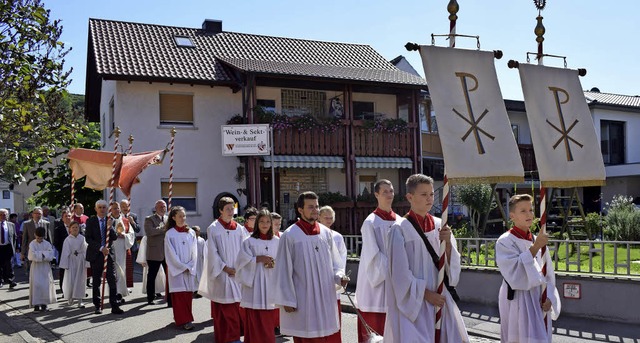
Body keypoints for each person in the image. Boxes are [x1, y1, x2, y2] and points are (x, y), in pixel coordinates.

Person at [384, 174, 469, 342]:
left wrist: (449, 244)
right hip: (415, 303)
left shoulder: (441, 225)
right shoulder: (399, 230)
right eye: (423, 194)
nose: (429, 198)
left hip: (440, 298)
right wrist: (426, 294)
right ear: (410, 197)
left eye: (431, 194)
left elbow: (451, 264)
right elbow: (399, 274)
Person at [272, 191, 348, 342]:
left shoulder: (326, 233)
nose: (315, 210)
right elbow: (283, 270)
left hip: (325, 296)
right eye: (310, 207)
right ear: (300, 210)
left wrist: (339, 277)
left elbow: (335, 263)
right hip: (303, 298)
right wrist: (287, 299)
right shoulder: (290, 235)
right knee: (305, 336)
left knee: (324, 335)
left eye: (317, 206)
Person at [496, 194, 561, 343]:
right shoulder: (505, 241)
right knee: (520, 337)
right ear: (512, 216)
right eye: (523, 211)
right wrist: (536, 246)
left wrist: (549, 296)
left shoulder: (535, 239)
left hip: (538, 298)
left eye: (531, 210)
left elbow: (548, 273)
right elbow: (513, 272)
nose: (529, 214)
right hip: (518, 298)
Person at [355, 179, 401, 342]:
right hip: (376, 285)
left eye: (391, 191)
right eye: (385, 192)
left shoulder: (400, 221)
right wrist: (396, 266)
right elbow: (372, 255)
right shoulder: (370, 222)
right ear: (376, 195)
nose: (389, 195)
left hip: (396, 283)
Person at [199, 196, 249, 343]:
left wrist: (239, 268)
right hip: (222, 273)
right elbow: (212, 252)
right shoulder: (213, 229)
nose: (230, 211)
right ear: (220, 210)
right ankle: (227, 338)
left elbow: (245, 250)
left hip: (237, 273)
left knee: (236, 307)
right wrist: (225, 268)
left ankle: (233, 337)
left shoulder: (239, 229)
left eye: (232, 208)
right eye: (227, 209)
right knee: (225, 309)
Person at [236, 209, 280, 343]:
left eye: (268, 221)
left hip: (271, 282)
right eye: (261, 221)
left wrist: (275, 263)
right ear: (257, 223)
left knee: (268, 318)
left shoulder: (277, 241)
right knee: (254, 318)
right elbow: (241, 262)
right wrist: (258, 259)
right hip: (254, 284)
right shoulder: (249, 241)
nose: (265, 224)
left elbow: (283, 261)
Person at [84, 200, 124, 315]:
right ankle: (98, 305)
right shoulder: (91, 221)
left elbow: (114, 237)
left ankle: (114, 305)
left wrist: (110, 228)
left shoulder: (110, 220)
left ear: (107, 209)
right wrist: (101, 248)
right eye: (100, 207)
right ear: (96, 209)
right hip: (96, 254)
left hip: (108, 255)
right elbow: (88, 239)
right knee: (96, 281)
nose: (102, 209)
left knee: (112, 279)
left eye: (104, 207)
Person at [164, 206, 198, 331]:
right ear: (173, 218)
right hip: (177, 270)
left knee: (188, 296)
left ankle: (186, 318)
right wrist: (181, 266)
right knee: (179, 296)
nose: (183, 218)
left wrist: (190, 265)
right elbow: (170, 253)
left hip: (188, 269)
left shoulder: (191, 232)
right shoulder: (170, 234)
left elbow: (195, 251)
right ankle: (184, 320)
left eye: (184, 216)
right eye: (180, 216)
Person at [318, 205, 348, 343]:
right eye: (326, 217)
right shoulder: (315, 236)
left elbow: (341, 258)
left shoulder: (337, 237)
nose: (329, 220)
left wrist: (339, 276)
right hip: (318, 282)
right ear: (319, 217)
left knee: (334, 319)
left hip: (332, 282)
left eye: (331, 218)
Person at [144, 200, 170, 306]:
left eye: (164, 206)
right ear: (156, 208)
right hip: (154, 252)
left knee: (170, 276)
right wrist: (163, 229)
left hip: (167, 252)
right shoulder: (149, 219)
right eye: (160, 206)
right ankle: (150, 297)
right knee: (152, 276)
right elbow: (150, 232)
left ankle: (170, 297)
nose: (162, 208)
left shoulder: (168, 219)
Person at [108, 201, 135, 303]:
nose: (116, 210)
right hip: (111, 249)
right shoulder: (108, 220)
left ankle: (119, 293)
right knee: (113, 272)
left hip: (122, 249)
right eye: (114, 208)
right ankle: (114, 293)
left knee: (121, 271)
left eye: (117, 208)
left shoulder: (125, 220)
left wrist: (124, 235)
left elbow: (131, 234)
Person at [59, 221, 88, 308]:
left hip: (80, 261)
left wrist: (86, 261)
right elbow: (65, 252)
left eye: (76, 227)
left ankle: (80, 300)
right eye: (73, 227)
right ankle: (70, 297)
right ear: (70, 229)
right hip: (71, 261)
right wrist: (65, 264)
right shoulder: (67, 240)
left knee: (80, 280)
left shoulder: (82, 238)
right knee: (70, 280)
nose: (75, 229)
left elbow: (85, 249)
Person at [28, 227, 56, 311]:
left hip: (45, 267)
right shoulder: (32, 244)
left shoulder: (47, 244)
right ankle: (36, 304)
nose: (39, 240)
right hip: (36, 267)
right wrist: (43, 254)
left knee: (45, 285)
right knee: (36, 285)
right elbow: (31, 256)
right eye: (37, 238)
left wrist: (39, 254)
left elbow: (51, 254)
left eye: (41, 238)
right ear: (35, 235)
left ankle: (44, 303)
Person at [120, 199, 138, 290]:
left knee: (130, 267)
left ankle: (128, 285)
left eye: (126, 206)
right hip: (121, 245)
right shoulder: (118, 217)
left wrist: (132, 222)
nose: (125, 208)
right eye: (123, 206)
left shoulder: (133, 216)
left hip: (132, 246)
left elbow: (138, 229)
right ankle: (122, 285)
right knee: (122, 266)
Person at [54, 207, 72, 290]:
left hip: (74, 254)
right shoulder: (59, 229)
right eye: (66, 216)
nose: (68, 218)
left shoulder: (75, 228)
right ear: (62, 218)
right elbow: (56, 242)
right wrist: (64, 250)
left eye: (69, 216)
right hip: (63, 253)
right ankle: (63, 288)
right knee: (63, 271)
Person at [0, 209, 17, 289]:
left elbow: (14, 237)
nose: (3, 216)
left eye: (5, 215)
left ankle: (11, 280)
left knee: (9, 265)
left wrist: (16, 247)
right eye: (2, 215)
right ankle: (0, 281)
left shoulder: (11, 225)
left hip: (8, 247)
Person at [192, 226, 205, 298]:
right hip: (193, 260)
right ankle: (195, 290)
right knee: (195, 275)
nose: (199, 232)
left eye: (199, 231)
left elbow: (204, 249)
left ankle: (200, 290)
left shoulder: (201, 240)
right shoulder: (190, 239)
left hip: (200, 260)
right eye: (197, 231)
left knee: (200, 274)